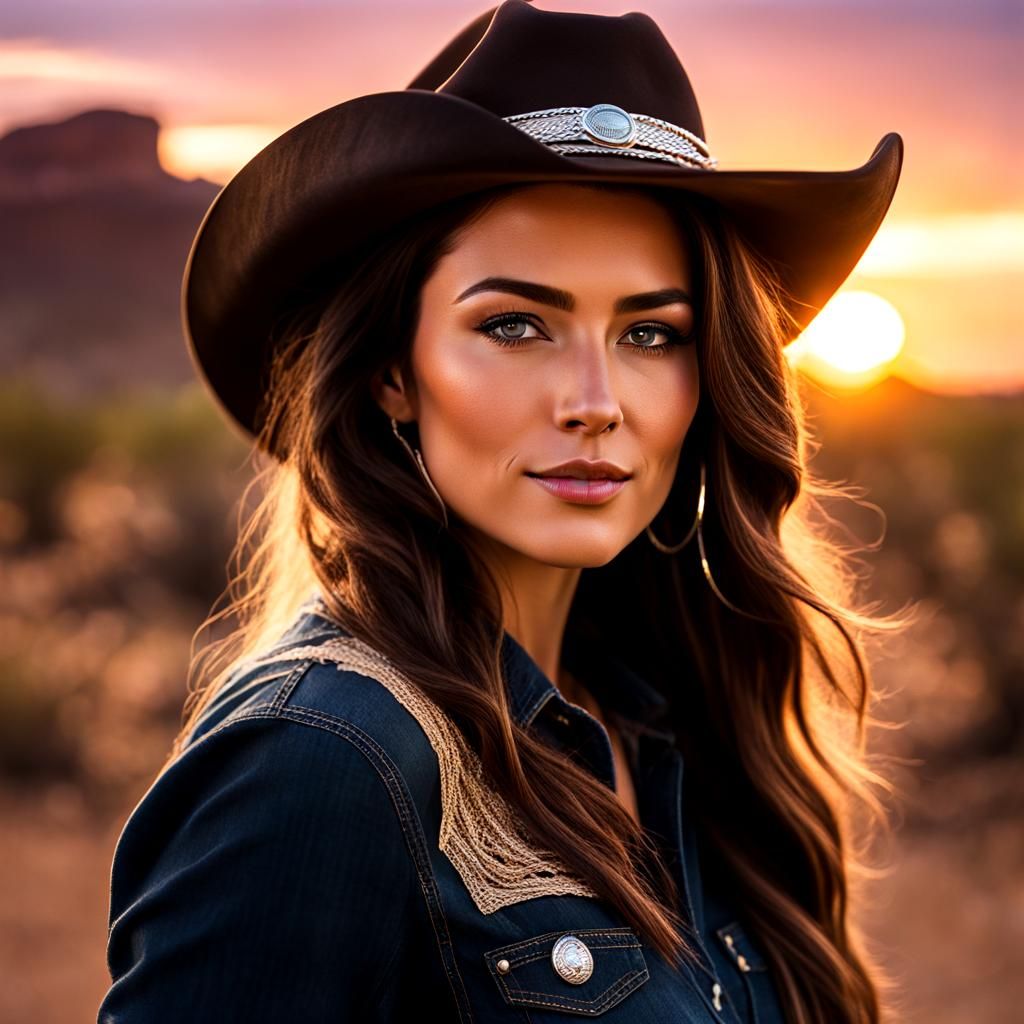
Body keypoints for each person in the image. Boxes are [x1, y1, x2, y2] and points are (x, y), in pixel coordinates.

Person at [98, 2, 910, 1022]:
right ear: (394, 371)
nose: (594, 400)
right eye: (516, 323)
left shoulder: (675, 726)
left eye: (652, 334)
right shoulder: (319, 763)